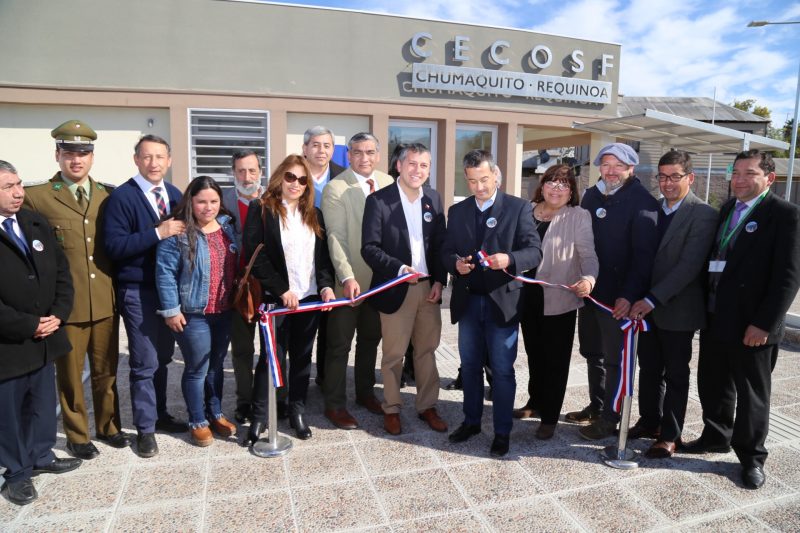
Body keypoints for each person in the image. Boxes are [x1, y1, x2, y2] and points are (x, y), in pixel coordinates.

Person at [681, 150, 800, 490]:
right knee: (713, 383)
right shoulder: (725, 211)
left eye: (749, 173)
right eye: (736, 173)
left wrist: (764, 323)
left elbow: (788, 278)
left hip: (753, 325)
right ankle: (716, 435)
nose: (740, 179)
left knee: (752, 394)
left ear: (769, 179)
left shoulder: (785, 215)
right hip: (717, 317)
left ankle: (751, 457)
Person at [23, 120, 132, 460]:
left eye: (83, 154)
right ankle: (77, 434)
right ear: (57, 155)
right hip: (65, 307)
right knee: (70, 376)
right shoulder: (36, 198)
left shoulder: (109, 195)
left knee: (106, 371)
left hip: (103, 301)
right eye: (69, 153)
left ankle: (109, 426)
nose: (76, 161)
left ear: (92, 158)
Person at [442, 149, 542, 457]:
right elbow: (446, 252)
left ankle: (502, 432)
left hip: (503, 303)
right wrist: (454, 265)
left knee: (501, 370)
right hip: (469, 301)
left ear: (496, 175)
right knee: (470, 366)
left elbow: (535, 252)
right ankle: (471, 421)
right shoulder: (457, 212)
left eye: (484, 179)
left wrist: (509, 259)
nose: (479, 187)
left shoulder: (518, 207)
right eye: (472, 181)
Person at [0, 160, 81, 506]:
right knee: (10, 412)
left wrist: (58, 315)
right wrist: (29, 324)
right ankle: (16, 473)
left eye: (19, 184)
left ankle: (41, 456)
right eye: (8, 187)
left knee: (42, 404)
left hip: (46, 334)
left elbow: (62, 272)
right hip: (10, 343)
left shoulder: (35, 223)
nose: (19, 192)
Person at [627, 151, 717, 458]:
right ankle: (650, 421)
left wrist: (650, 300)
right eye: (662, 176)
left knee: (676, 374)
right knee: (649, 369)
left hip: (677, 309)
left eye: (674, 176)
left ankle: (670, 435)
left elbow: (688, 266)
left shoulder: (702, 214)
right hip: (646, 309)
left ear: (690, 178)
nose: (667, 183)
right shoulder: (651, 210)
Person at [568, 142, 659, 441]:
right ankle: (596, 406)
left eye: (617, 165)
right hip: (591, 292)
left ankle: (611, 417)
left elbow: (644, 256)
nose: (610, 170)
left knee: (615, 360)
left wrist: (629, 295)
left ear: (631, 168)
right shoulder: (592, 195)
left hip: (618, 298)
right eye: (605, 164)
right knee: (591, 352)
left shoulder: (642, 202)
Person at [243, 155, 335, 443]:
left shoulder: (314, 214)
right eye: (291, 177)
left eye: (303, 179)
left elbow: (321, 259)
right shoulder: (262, 209)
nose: (296, 184)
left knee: (302, 359)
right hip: (276, 300)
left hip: (308, 300)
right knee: (271, 359)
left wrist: (326, 286)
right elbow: (254, 258)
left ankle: (296, 412)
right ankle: (258, 419)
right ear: (280, 177)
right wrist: (282, 290)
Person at [104, 135, 186, 458]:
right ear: (136, 160)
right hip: (138, 290)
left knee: (164, 357)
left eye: (160, 157)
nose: (154, 163)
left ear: (169, 160)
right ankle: (145, 429)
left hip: (168, 291)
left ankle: (161, 414)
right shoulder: (122, 198)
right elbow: (114, 246)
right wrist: (157, 233)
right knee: (144, 362)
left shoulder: (176, 194)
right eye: (147, 157)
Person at [361, 143, 448, 435]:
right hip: (397, 287)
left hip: (428, 289)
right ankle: (392, 408)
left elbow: (439, 246)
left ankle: (427, 406)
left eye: (424, 165)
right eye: (412, 164)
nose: (418, 170)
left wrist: (439, 280)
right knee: (394, 354)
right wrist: (399, 269)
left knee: (426, 350)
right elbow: (369, 248)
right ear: (399, 165)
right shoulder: (379, 201)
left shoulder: (434, 200)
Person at [514, 164, 598, 440]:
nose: (557, 188)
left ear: (571, 190)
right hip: (526, 295)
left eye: (564, 184)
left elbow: (588, 254)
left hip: (559, 297)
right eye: (552, 181)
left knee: (556, 359)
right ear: (542, 184)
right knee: (535, 354)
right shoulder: (527, 210)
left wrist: (588, 278)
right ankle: (535, 402)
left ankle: (550, 416)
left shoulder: (578, 216)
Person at [155, 176, 239, 447]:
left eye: (213, 201)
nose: (208, 207)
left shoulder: (227, 227)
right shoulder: (178, 231)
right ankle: (197, 420)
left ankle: (215, 413)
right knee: (197, 368)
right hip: (193, 314)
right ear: (190, 201)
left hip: (224, 310)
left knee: (216, 366)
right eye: (201, 201)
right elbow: (165, 273)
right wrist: (171, 310)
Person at [320, 132, 394, 429]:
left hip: (382, 281)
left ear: (378, 155)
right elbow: (335, 237)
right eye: (358, 152)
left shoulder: (389, 183)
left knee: (370, 340)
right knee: (339, 345)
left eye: (370, 152)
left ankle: (365, 392)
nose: (364, 158)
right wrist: (346, 275)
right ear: (348, 156)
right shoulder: (336, 188)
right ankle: (335, 404)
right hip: (348, 281)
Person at [223, 150, 265, 424]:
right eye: (240, 171)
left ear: (261, 171)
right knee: (241, 350)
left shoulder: (274, 200)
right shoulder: (222, 200)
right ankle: (245, 402)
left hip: (270, 287)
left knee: (274, 349)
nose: (246, 177)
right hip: (237, 290)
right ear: (233, 173)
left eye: (251, 171)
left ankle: (273, 400)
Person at [302, 126, 345, 387]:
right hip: (302, 261)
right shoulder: (292, 176)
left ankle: (326, 378)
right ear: (305, 149)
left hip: (334, 258)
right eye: (315, 145)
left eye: (327, 145)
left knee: (332, 328)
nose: (321, 150)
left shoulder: (344, 177)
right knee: (303, 330)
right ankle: (297, 381)